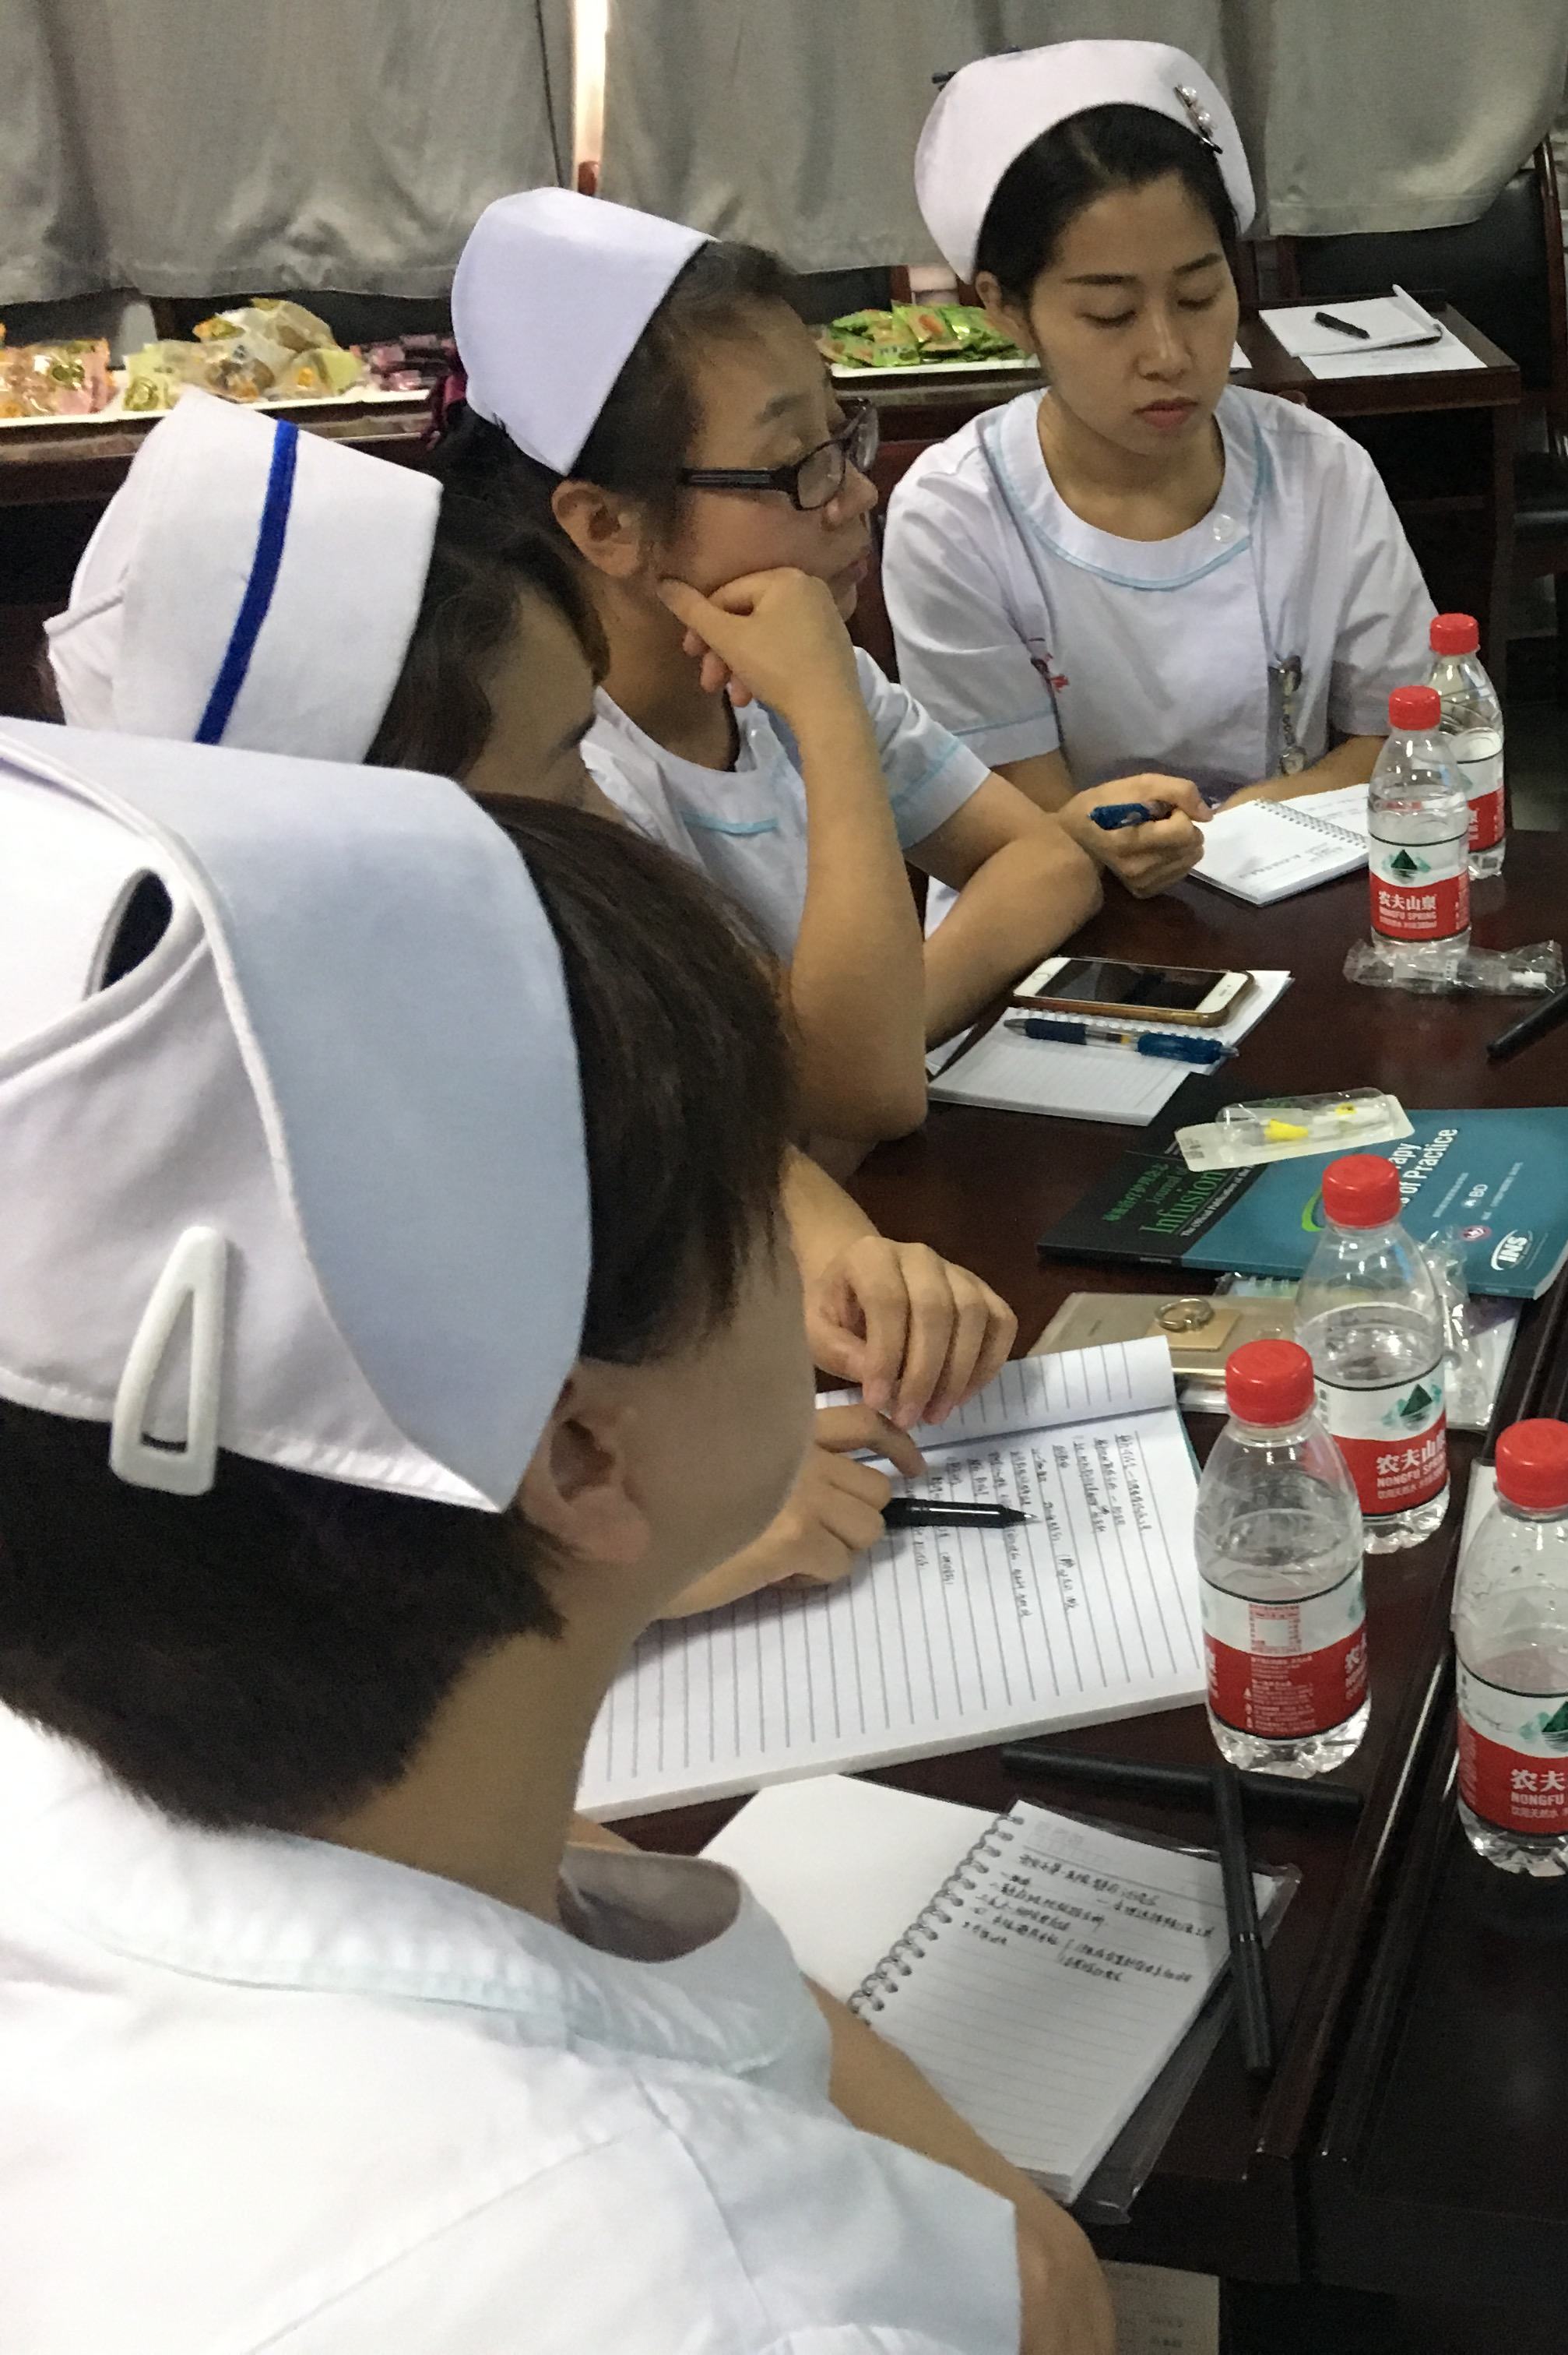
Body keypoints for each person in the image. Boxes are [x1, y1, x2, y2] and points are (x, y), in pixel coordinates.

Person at [0, 725, 1108, 2351]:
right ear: (582, 1449)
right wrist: (1035, 2265)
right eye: (760, 1213)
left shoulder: (113, 1743)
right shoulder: (710, 2292)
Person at [41, 392, 1020, 1615]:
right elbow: (200, 1612)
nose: (607, 816)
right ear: (371, 819)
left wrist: (840, 1259)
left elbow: (694, 1124)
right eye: (566, 764)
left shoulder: (487, 971)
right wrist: (647, 1565)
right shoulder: (164, 1141)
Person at [438, 187, 1103, 1145]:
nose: (857, 493)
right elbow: (860, 1090)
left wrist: (880, 1025)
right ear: (607, 523)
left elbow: (1045, 862)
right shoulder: (570, 778)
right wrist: (829, 717)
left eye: (841, 435)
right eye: (798, 463)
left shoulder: (785, 663)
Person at [881, 40, 1436, 900]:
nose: (1170, 354)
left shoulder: (1320, 470)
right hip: (1053, 929)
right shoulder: (956, 517)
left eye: (1198, 296)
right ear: (1004, 308)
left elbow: (1408, 737)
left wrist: (1244, 823)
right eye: (1110, 313)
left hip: (1292, 895)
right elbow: (1018, 830)